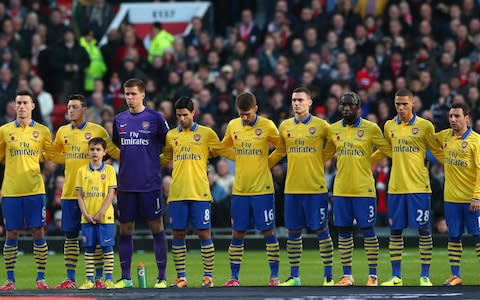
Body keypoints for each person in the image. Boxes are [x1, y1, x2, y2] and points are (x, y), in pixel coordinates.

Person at [161, 96, 232, 288]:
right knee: (177, 235)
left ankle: (208, 276)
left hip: (200, 192)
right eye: (178, 116)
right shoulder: (171, 136)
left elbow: (220, 150)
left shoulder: (207, 133)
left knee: (204, 234)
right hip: (177, 193)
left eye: (185, 115)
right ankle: (181, 277)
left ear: (193, 113)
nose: (182, 119)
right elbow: (165, 158)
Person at [268, 87, 334, 286]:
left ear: (309, 102)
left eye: (300, 100)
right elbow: (280, 151)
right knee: (293, 232)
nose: (296, 103)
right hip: (293, 189)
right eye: (294, 100)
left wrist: (321, 159)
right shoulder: (286, 126)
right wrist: (263, 165)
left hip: (315, 188)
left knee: (322, 230)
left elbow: (333, 144)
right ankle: (295, 276)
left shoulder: (322, 126)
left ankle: (329, 276)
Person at [325, 92, 391, 286]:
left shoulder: (371, 128)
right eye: (342, 105)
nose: (346, 108)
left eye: (350, 105)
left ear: (358, 107)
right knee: (344, 233)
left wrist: (370, 160)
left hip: (364, 190)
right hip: (341, 190)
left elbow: (387, 149)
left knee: (368, 231)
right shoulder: (333, 129)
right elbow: (325, 154)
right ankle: (347, 275)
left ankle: (373, 276)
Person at [54, 94, 120, 289]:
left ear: (83, 109)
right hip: (69, 193)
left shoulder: (97, 130)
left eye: (74, 107)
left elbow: (113, 152)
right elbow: (54, 154)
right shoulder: (62, 132)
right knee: (71, 236)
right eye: (68, 107)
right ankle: (70, 278)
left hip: (95, 195)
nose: (70, 110)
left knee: (97, 239)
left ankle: (99, 278)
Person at [378, 88, 443, 286]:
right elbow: (386, 149)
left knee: (424, 231)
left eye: (404, 103)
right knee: (395, 231)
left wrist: (456, 163)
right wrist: (367, 160)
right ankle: (396, 276)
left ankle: (425, 275)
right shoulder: (389, 125)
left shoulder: (425, 126)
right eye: (397, 104)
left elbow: (437, 151)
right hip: (396, 187)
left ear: (413, 103)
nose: (400, 107)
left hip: (419, 188)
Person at [112, 78, 170, 289]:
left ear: (143, 94)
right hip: (126, 184)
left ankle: (162, 277)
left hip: (150, 184)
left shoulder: (156, 118)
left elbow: (169, 144)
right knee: (125, 229)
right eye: (126, 94)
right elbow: (120, 146)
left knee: (157, 228)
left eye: (133, 94)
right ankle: (126, 277)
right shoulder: (119, 119)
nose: (129, 98)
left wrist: (157, 163)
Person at [221, 91, 281, 287]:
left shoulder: (267, 125)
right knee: (237, 233)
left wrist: (267, 162)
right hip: (240, 190)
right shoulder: (233, 125)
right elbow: (224, 147)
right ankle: (234, 277)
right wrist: (237, 157)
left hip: (262, 189)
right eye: (241, 114)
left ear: (255, 109)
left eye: (247, 114)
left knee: (268, 232)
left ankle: (274, 277)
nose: (244, 118)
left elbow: (282, 147)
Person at [0, 90, 56, 290]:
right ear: (15, 107)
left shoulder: (42, 131)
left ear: (33, 106)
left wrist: (46, 167)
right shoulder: (5, 131)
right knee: (11, 233)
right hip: (11, 190)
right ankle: (10, 280)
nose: (21, 106)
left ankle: (41, 278)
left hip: (34, 190)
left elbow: (51, 158)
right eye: (18, 103)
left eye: (25, 103)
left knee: (38, 231)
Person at [435, 102, 480, 286]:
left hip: (472, 200)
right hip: (451, 199)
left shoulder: (476, 141)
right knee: (453, 237)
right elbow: (427, 139)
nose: (453, 120)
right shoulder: (445, 136)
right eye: (451, 116)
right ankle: (456, 275)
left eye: (457, 116)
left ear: (466, 117)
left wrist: (477, 196)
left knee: (478, 237)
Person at [76, 137, 116, 289]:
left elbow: (111, 193)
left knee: (107, 248)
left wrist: (100, 213)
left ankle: (109, 279)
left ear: (104, 152)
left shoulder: (109, 170)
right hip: (87, 217)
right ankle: (89, 280)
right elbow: (79, 195)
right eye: (92, 149)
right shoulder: (81, 171)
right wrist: (85, 213)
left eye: (98, 149)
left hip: (105, 217)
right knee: (89, 249)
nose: (95, 152)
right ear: (88, 151)